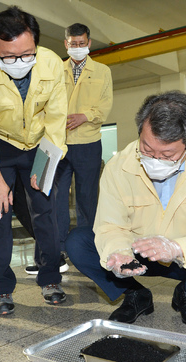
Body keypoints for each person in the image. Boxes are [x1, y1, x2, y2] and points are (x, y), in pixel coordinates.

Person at [66, 91, 186, 328]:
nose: (155, 161)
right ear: (140, 132)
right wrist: (119, 253)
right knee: (79, 242)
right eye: (147, 150)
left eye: (167, 154)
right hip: (139, 253)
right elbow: (111, 224)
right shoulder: (119, 165)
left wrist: (177, 248)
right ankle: (135, 295)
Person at [0, 6, 68, 315]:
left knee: (45, 213)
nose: (20, 63)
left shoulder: (51, 63)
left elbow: (56, 120)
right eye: (9, 57)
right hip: (0, 146)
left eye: (28, 54)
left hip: (39, 144)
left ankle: (50, 278)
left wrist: (45, 166)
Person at [25, 23, 113, 276]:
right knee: (54, 200)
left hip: (88, 143)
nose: (77, 47)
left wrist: (85, 116)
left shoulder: (102, 71)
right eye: (73, 43)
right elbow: (42, 101)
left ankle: (86, 249)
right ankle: (56, 251)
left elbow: (106, 104)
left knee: (87, 200)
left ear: (89, 42)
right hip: (57, 144)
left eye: (81, 43)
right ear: (66, 44)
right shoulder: (54, 69)